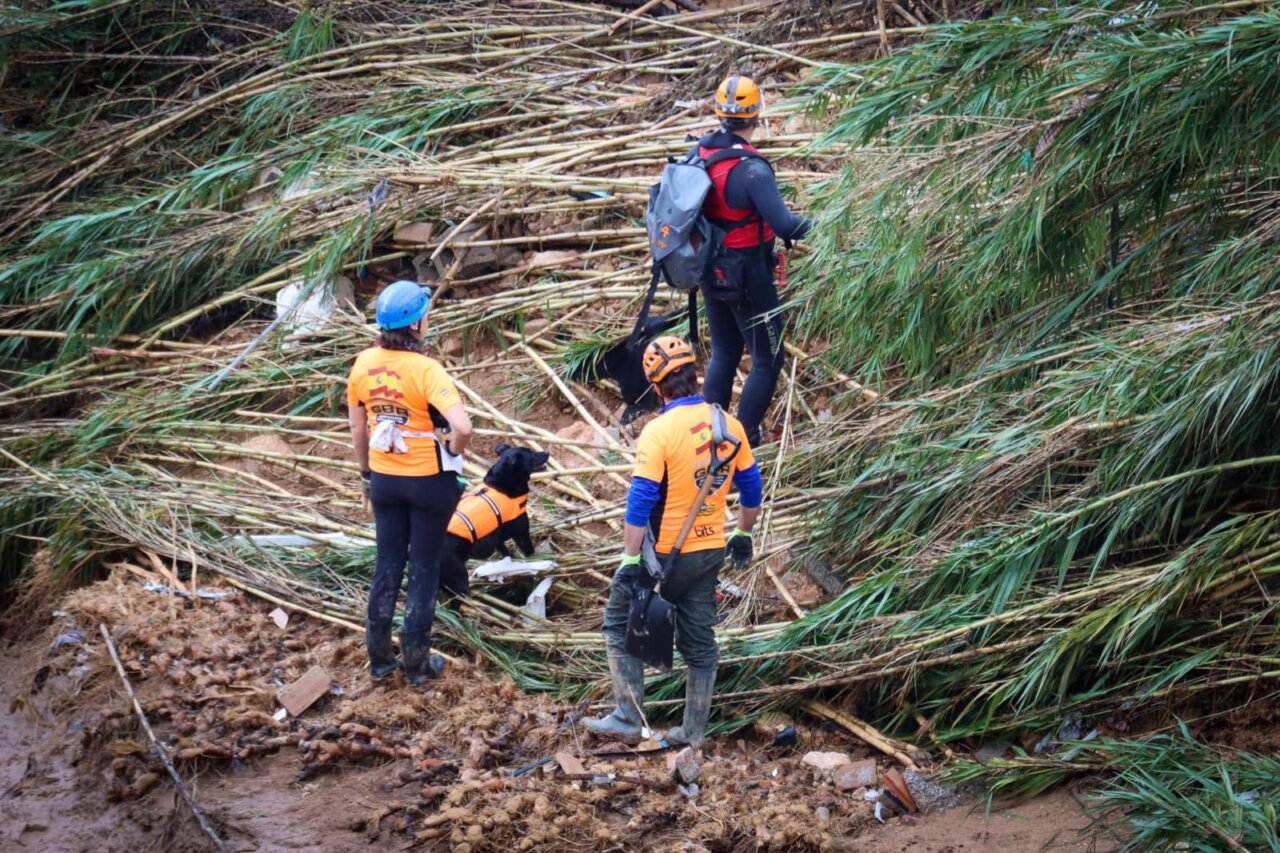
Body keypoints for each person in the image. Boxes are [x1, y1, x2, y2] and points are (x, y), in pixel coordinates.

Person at [583, 336, 763, 747]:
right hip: (708, 551)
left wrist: (630, 560)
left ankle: (628, 717)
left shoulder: (658, 431)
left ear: (657, 386)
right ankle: (693, 731)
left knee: (617, 622)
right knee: (700, 641)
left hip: (662, 554)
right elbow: (752, 488)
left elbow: (641, 500)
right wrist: (743, 534)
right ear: (695, 375)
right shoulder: (728, 425)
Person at [347, 280, 473, 684]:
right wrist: (452, 448)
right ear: (416, 324)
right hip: (426, 483)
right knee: (423, 567)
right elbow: (462, 427)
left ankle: (381, 660)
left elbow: (358, 430)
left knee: (387, 564)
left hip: (384, 479)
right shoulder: (426, 370)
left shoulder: (362, 363)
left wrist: (367, 474)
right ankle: (417, 664)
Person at [697, 74, 814, 447]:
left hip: (710, 270)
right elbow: (785, 225)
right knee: (767, 359)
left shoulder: (701, 153)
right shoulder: (751, 169)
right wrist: (827, 226)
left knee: (725, 352)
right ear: (757, 113)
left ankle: (706, 439)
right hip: (748, 274)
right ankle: (738, 440)